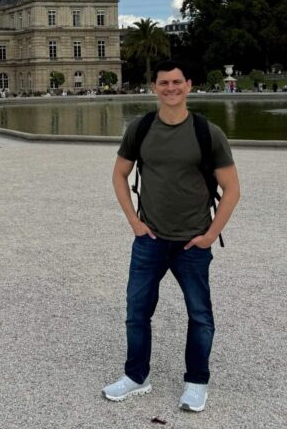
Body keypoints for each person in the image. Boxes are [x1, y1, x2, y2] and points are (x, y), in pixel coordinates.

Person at [103, 60, 241, 413]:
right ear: (154, 87)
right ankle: (136, 377)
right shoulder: (141, 128)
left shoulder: (207, 132)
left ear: (188, 85)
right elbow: (119, 175)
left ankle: (196, 382)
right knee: (137, 311)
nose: (171, 88)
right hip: (150, 239)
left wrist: (211, 235)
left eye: (177, 82)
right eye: (164, 82)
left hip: (192, 242)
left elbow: (232, 189)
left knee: (199, 315)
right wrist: (134, 223)